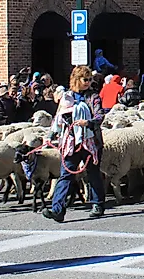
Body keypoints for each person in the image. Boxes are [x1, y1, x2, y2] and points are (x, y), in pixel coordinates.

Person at [43, 65, 106, 222]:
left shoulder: (93, 97)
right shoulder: (67, 97)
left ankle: (97, 203)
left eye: (90, 79)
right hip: (71, 140)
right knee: (66, 174)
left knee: (92, 172)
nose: (88, 82)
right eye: (86, 79)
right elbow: (58, 118)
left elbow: (100, 115)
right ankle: (58, 209)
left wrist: (89, 122)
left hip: (90, 140)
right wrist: (51, 135)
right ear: (76, 80)